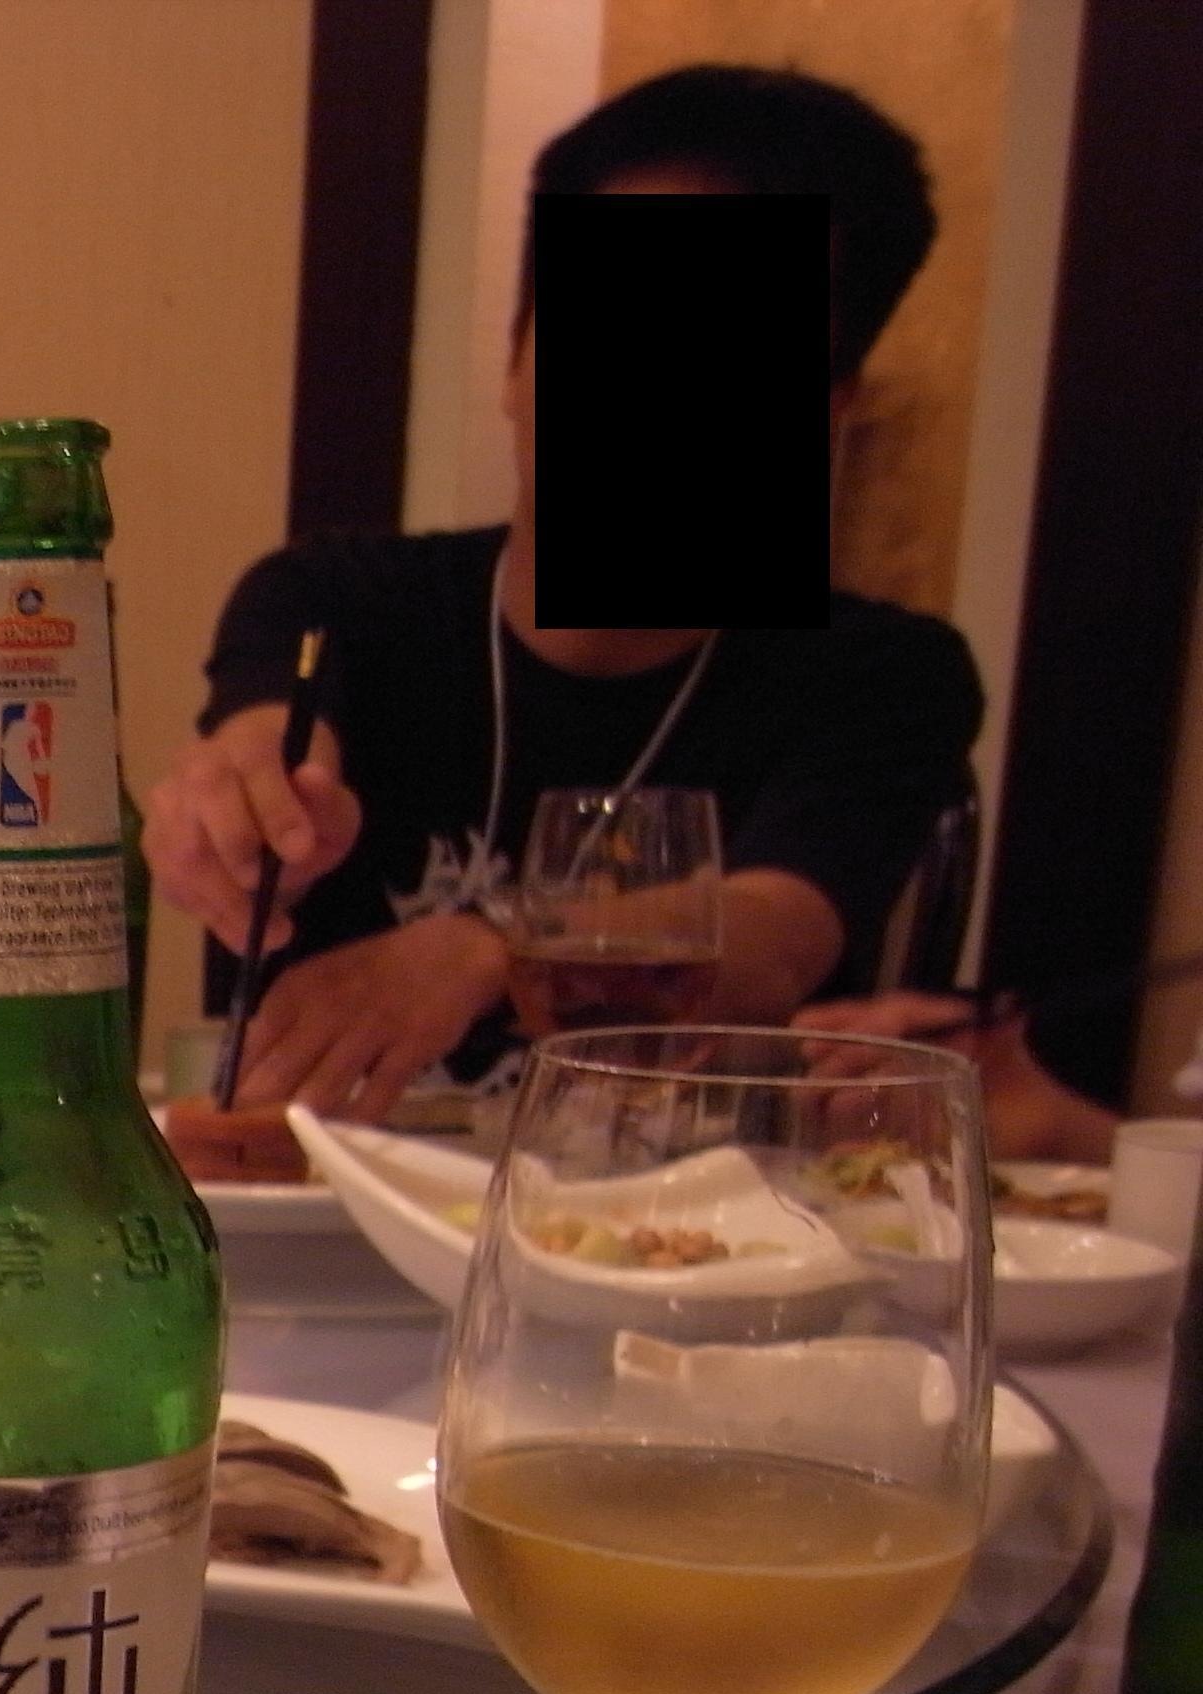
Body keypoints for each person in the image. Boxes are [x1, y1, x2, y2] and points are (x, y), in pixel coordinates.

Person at [145, 64, 985, 1134]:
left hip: (679, 1223)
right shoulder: (335, 598)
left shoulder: (880, 673)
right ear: (514, 360)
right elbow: (271, 733)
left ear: (827, 409)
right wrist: (236, 802)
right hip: (315, 1210)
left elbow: (775, 929)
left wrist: (493, 950)